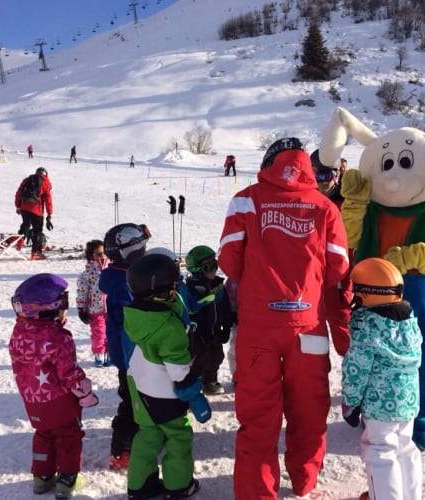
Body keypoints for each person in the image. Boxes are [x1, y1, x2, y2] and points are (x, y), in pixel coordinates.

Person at [218, 137, 349, 499]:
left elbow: (228, 261)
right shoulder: (325, 206)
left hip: (258, 325)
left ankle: (256, 492)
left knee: (258, 416)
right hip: (308, 326)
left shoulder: (246, 199)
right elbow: (339, 267)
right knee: (309, 408)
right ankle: (305, 480)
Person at [124, 253, 211, 499]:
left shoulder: (136, 314)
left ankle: (140, 487)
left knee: (148, 435)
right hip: (163, 393)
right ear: (163, 291)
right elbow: (178, 371)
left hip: (139, 384)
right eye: (173, 287)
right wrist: (193, 389)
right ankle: (178, 485)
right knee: (178, 436)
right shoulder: (168, 327)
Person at [8, 273, 99, 498]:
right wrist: (85, 391)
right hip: (59, 400)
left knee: (44, 434)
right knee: (68, 435)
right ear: (48, 309)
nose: (66, 309)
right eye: (63, 303)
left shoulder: (19, 332)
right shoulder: (58, 338)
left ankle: (42, 477)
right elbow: (68, 372)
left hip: (33, 400)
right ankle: (67, 480)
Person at [342, 258, 422, 500]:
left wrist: (350, 402)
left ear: (366, 293)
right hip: (407, 401)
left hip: (380, 404)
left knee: (380, 452)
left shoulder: (366, 326)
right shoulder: (408, 322)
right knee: (405, 448)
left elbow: (356, 369)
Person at [98, 223, 151, 470]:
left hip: (130, 355)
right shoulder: (125, 284)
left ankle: (143, 438)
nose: (146, 252)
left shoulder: (120, 275)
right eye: (142, 249)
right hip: (132, 356)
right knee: (131, 404)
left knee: (142, 400)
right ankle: (122, 451)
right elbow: (138, 317)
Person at [310, 148, 353, 356]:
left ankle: (355, 372)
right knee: (310, 328)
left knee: (341, 321)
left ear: (337, 173)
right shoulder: (305, 198)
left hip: (341, 277)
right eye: (315, 175)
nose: (321, 181)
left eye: (326, 175)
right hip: (312, 276)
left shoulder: (350, 201)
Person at [182, 245, 234, 395]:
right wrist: (197, 331)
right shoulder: (192, 288)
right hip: (200, 334)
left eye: (214, 266)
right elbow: (191, 310)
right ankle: (194, 384)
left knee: (216, 357)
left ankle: (210, 382)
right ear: (197, 270)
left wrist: (227, 326)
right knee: (199, 359)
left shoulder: (219, 286)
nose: (212, 271)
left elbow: (225, 307)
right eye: (208, 268)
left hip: (216, 331)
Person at [76, 239, 109, 367]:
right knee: (99, 332)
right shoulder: (88, 274)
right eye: (99, 254)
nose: (103, 256)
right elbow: (82, 292)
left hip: (111, 307)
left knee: (111, 331)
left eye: (104, 253)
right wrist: (81, 309)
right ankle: (99, 353)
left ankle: (110, 353)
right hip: (96, 309)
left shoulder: (110, 269)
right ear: (91, 256)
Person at [15, 167, 53, 260]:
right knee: (37, 232)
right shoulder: (46, 182)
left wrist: (18, 206)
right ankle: (35, 253)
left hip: (24, 208)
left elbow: (19, 193)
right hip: (37, 210)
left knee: (25, 224)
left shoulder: (27, 179)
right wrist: (49, 214)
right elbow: (48, 200)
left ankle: (20, 241)